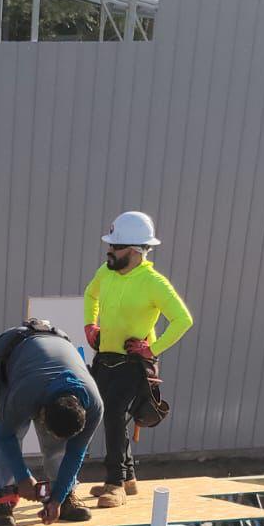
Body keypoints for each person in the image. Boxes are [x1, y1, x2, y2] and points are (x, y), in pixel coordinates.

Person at [83, 211, 193, 509]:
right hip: (105, 358)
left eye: (115, 247)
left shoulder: (154, 283)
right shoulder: (105, 272)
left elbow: (183, 320)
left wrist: (151, 350)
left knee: (115, 414)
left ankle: (115, 483)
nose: (109, 251)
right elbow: (90, 296)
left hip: (132, 365)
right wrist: (90, 325)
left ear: (134, 251)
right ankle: (128, 477)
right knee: (110, 414)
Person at [0, 319, 103, 526]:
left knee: (57, 447)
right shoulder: (24, 395)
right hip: (17, 353)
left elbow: (75, 453)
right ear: (42, 413)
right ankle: (3, 498)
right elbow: (3, 435)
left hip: (54, 349)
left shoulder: (94, 407)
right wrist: (23, 478)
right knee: (12, 430)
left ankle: (66, 494)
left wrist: (57, 499)